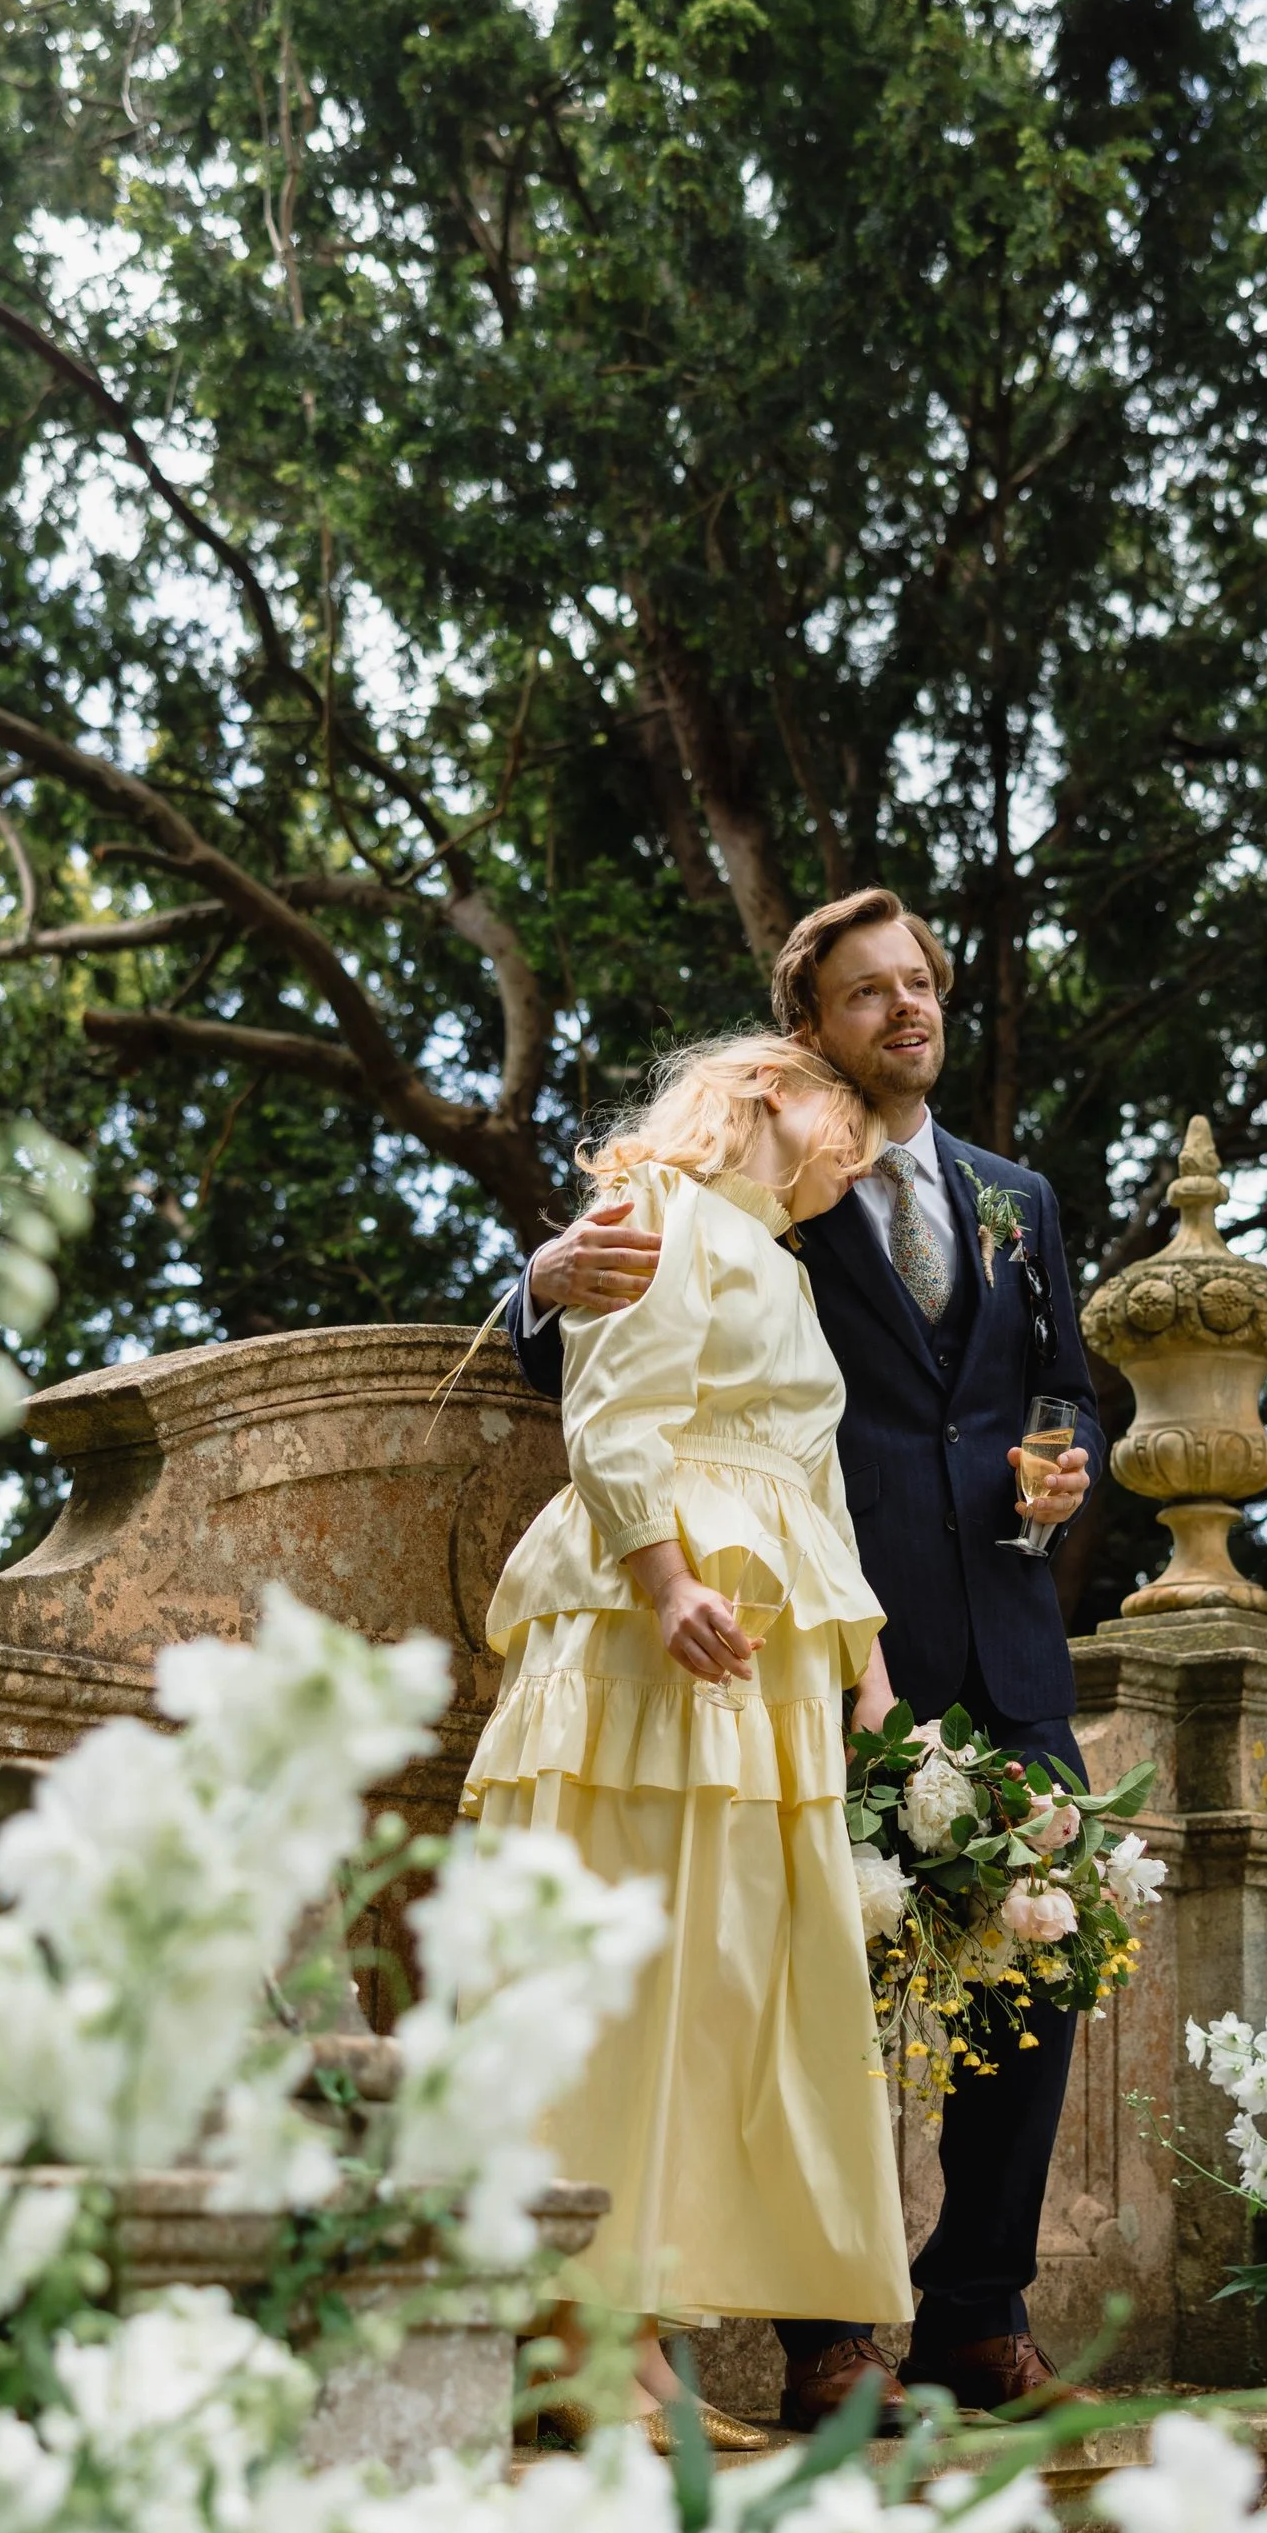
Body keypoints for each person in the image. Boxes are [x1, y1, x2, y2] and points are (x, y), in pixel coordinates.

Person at [508, 888, 1107, 2431]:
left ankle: (980, 2306)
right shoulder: (770, 1180)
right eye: (868, 992)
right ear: (808, 1035)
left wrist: (1065, 1463)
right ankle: (830, 2336)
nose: (905, 1009)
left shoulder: (1012, 1195)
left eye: (922, 984)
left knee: (1042, 1950)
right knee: (791, 1977)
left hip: (983, 1637)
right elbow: (599, 1334)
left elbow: (1059, 1386)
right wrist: (537, 1281)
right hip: (794, 1643)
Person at [466, 1033, 912, 2418]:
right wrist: (663, 1582)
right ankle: (584, 2331)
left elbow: (810, 1475)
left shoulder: (779, 1263)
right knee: (636, 1967)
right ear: (774, 1087)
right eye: (849, 1116)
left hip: (761, 1648)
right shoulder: (657, 1209)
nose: (865, 1150)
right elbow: (613, 1413)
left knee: (718, 1986)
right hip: (655, 1630)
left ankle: (635, 2328)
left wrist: (868, 1655)